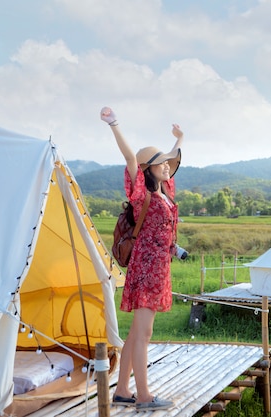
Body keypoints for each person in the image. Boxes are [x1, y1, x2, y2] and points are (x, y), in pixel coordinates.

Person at [100, 106, 183, 411]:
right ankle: (144, 396)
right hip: (147, 268)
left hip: (159, 268)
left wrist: (179, 139)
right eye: (160, 164)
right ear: (148, 169)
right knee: (144, 334)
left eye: (167, 164)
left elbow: (171, 160)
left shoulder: (164, 191)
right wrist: (114, 124)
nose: (167, 166)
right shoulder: (142, 194)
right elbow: (129, 158)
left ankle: (122, 391)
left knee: (136, 332)